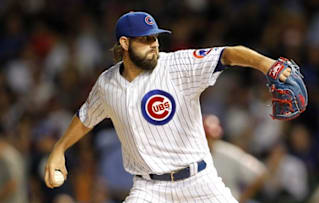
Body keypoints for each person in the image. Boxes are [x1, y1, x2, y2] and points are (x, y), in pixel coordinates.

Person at [44, 11, 293, 202]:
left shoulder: (176, 65)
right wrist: (59, 149)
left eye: (155, 37)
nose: (154, 43)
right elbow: (86, 116)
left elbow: (228, 53)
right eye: (145, 39)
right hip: (150, 188)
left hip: (200, 181)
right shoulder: (107, 84)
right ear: (125, 43)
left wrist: (266, 64)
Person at [203, 114, 267, 203]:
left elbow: (259, 173)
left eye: (211, 137)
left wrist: (242, 198)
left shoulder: (227, 152)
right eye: (206, 136)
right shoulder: (189, 156)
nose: (209, 140)